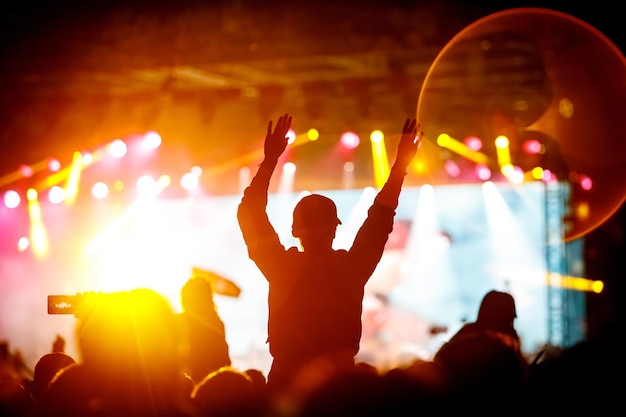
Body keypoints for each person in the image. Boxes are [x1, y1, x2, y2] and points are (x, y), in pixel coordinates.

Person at [237, 113, 421, 395]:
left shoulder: (280, 266)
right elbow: (380, 217)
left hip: (287, 383)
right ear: (335, 229)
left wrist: (271, 159)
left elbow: (250, 212)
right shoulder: (351, 267)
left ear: (295, 230)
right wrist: (400, 166)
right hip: (341, 386)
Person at [177, 276, 232, 384]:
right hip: (195, 385)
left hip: (207, 386)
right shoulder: (215, 323)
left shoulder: (215, 324)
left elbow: (222, 361)